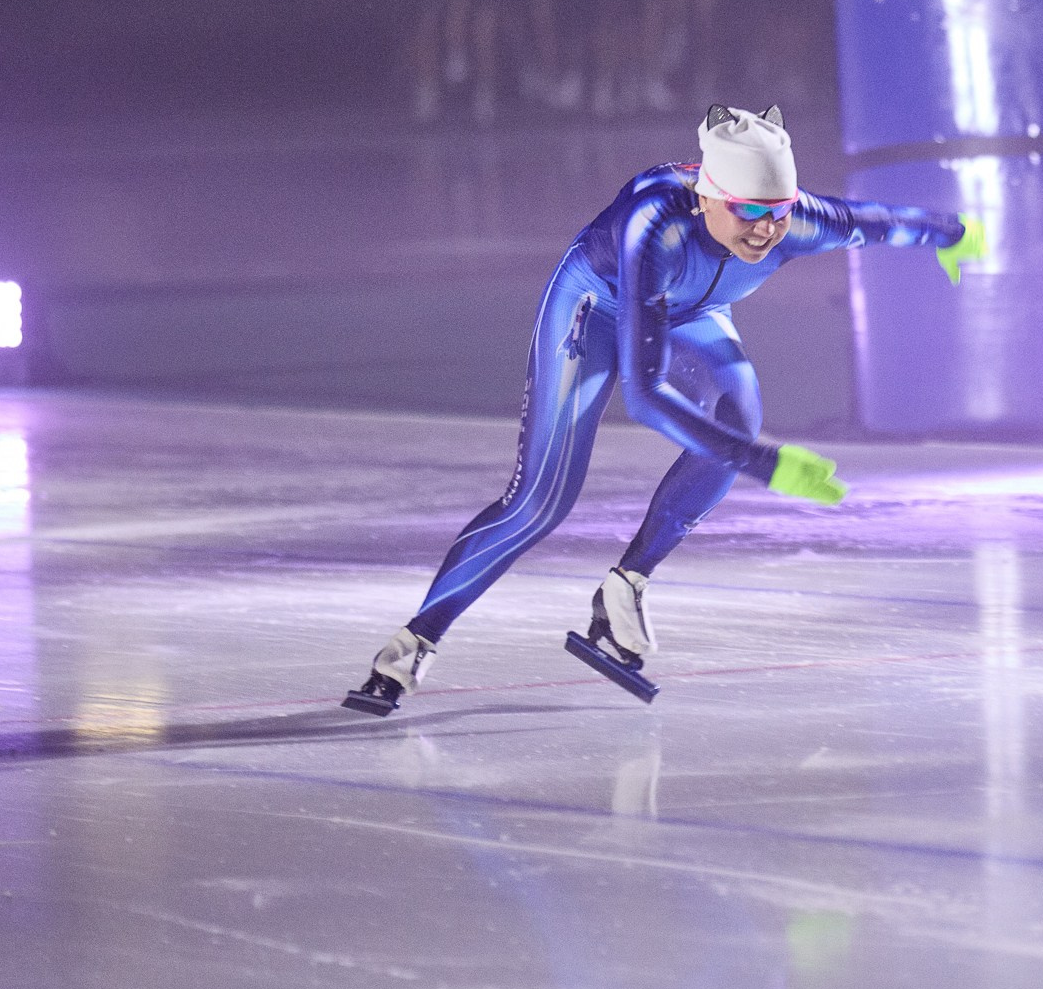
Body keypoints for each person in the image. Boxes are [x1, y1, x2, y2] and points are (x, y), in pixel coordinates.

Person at [344, 105, 989, 711]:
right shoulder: (653, 225)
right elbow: (647, 395)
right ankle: (413, 643)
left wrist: (956, 234)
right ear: (708, 196)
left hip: (694, 313)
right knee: (541, 502)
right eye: (747, 211)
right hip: (596, 307)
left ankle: (624, 590)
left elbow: (888, 223)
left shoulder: (804, 223)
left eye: (780, 211)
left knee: (739, 413)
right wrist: (764, 466)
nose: (766, 230)